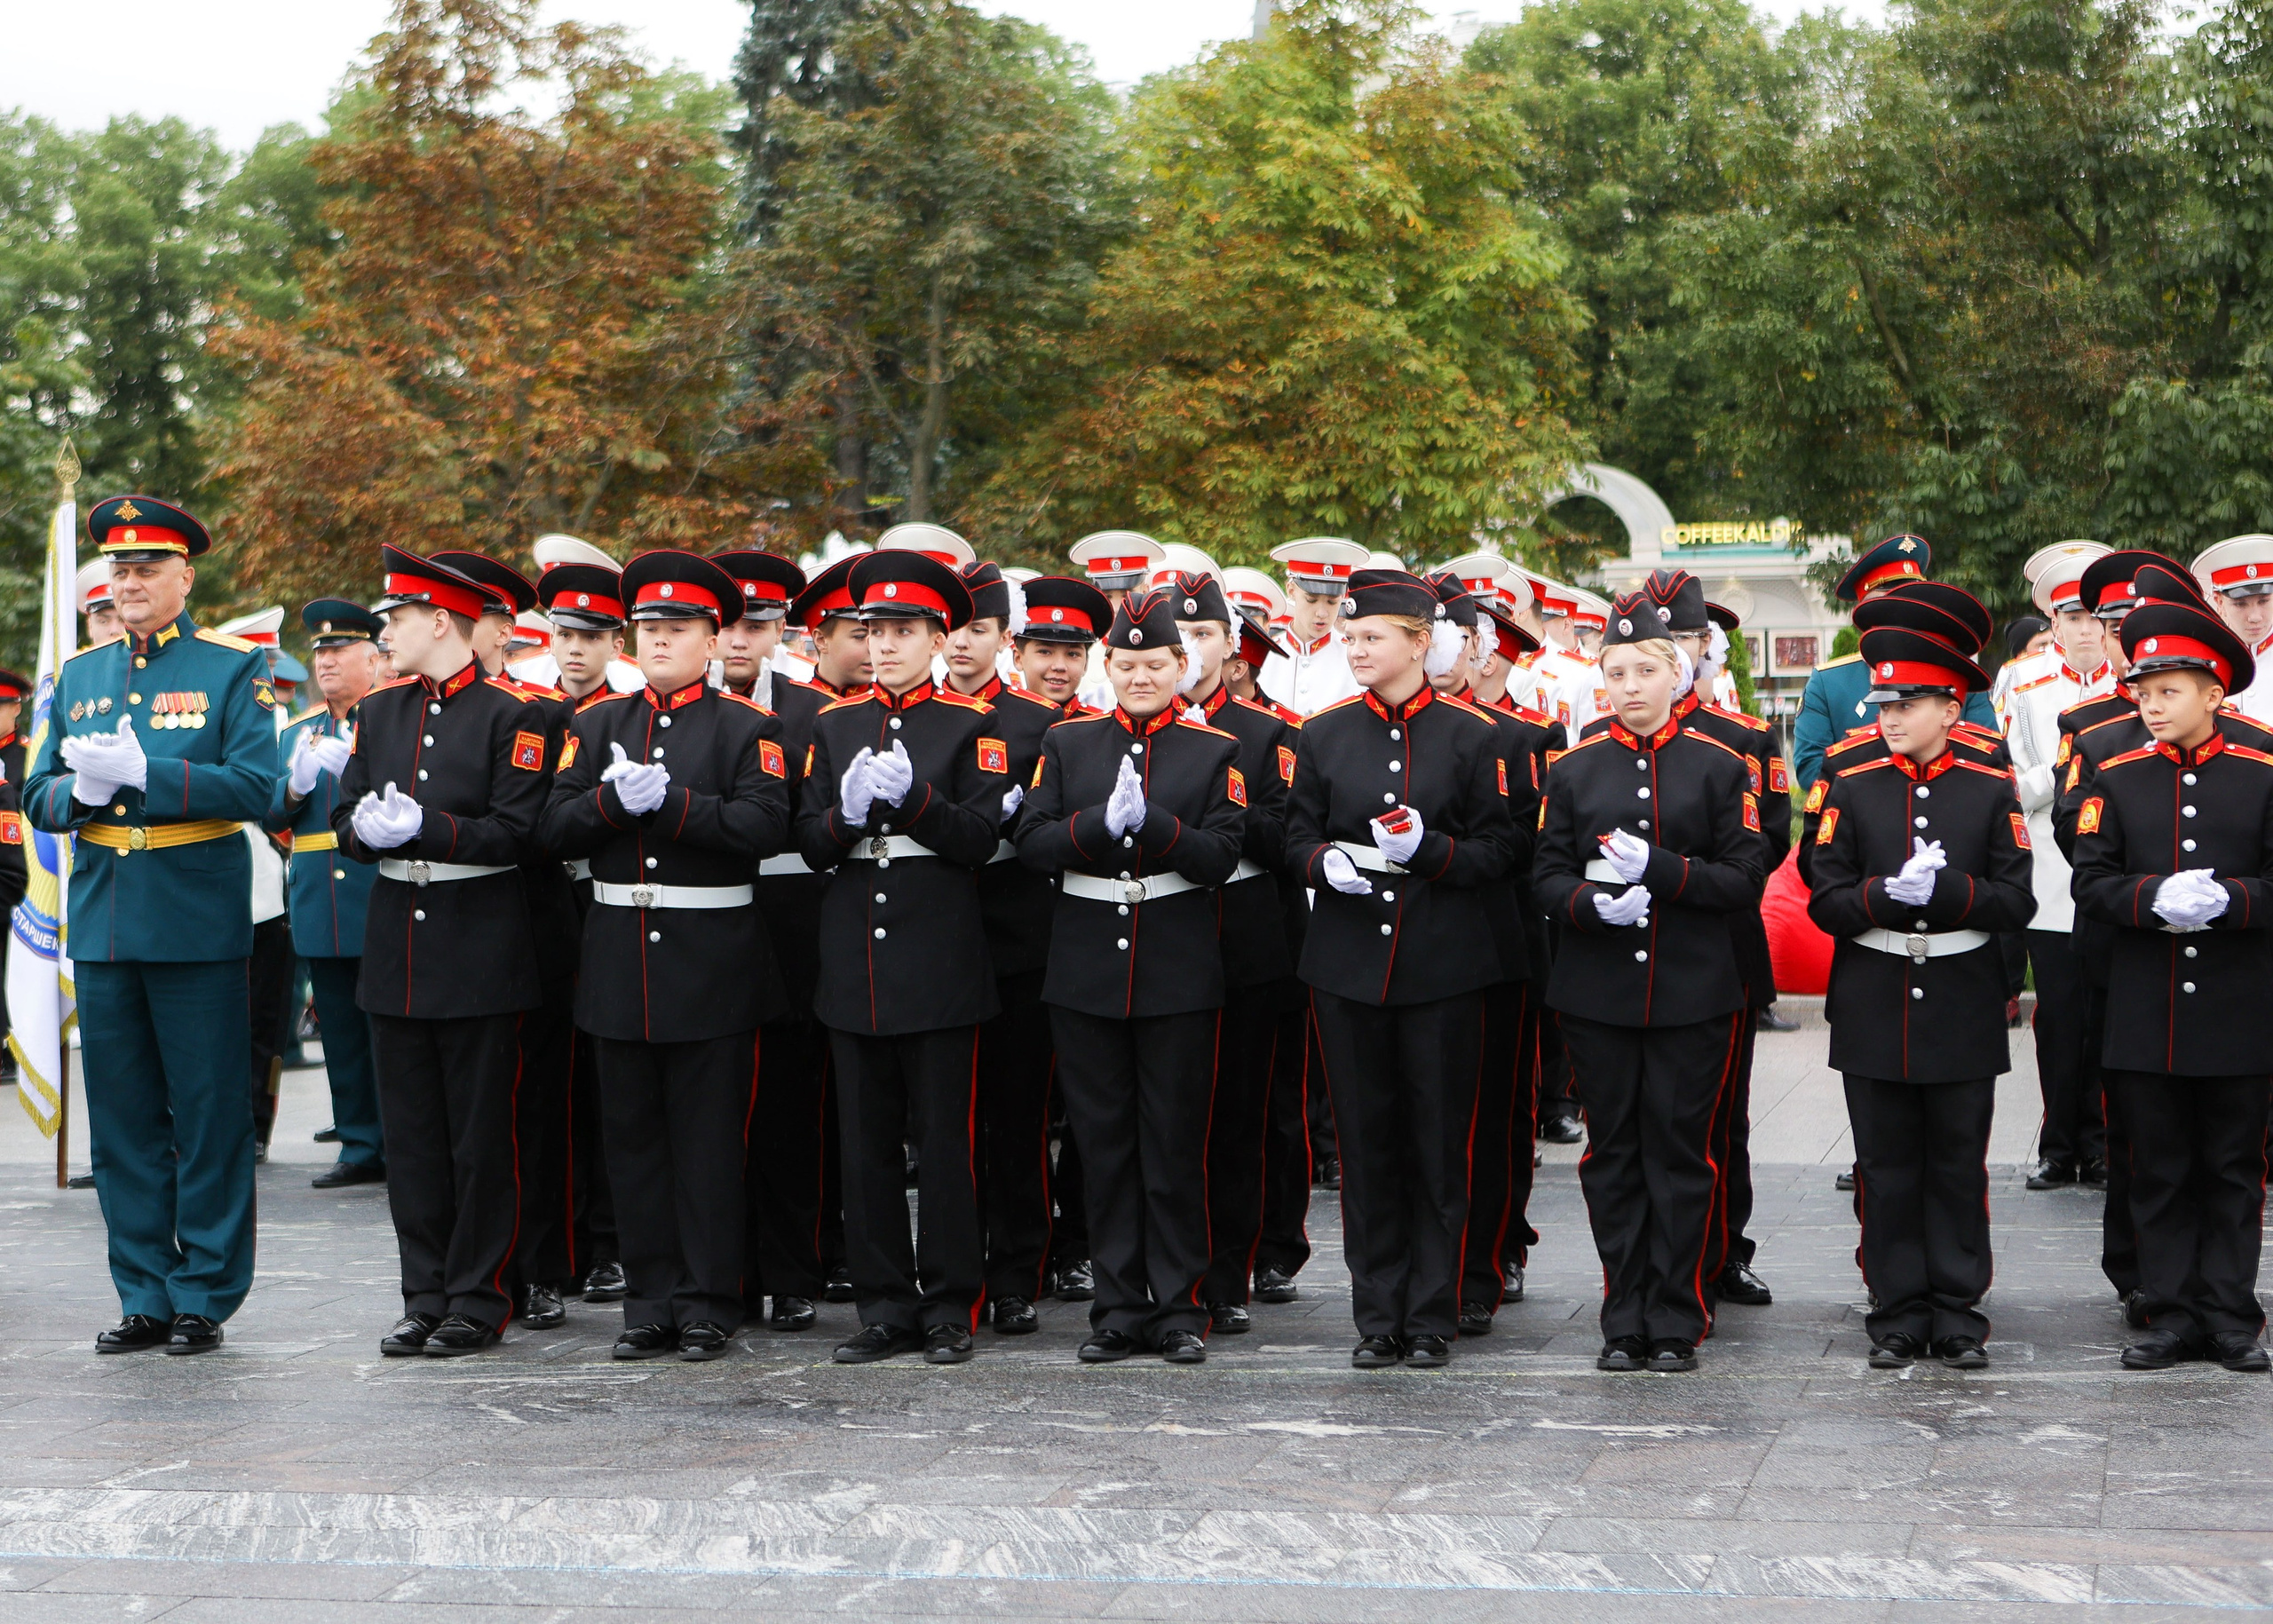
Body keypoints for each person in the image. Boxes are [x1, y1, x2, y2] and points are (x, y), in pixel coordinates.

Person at [23, 495, 281, 1356]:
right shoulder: (80, 676)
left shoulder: (232, 669)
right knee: (125, 1120)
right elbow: (36, 792)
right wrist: (78, 794)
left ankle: (203, 1288)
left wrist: (152, 774)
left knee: (208, 1112)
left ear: (185, 577)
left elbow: (257, 786)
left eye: (147, 568)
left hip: (195, 915)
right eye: (119, 570)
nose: (128, 582)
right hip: (103, 918)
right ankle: (142, 1288)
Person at [542, 550, 793, 1362]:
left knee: (710, 1144)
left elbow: (763, 829)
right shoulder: (593, 726)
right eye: (646, 628)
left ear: (713, 639)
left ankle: (711, 1299)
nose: (657, 641)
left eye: (676, 628)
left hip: (712, 962)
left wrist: (676, 806)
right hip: (620, 958)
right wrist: (614, 803)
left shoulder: (750, 729)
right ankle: (649, 1301)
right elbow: (552, 828)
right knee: (635, 1143)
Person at [1283, 568, 1517, 1368]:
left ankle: (1433, 1313)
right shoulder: (1322, 734)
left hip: (1442, 961)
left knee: (1437, 1142)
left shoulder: (1471, 734)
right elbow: (1293, 835)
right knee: (1367, 1145)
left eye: (1371, 637)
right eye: (1348, 638)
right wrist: (1322, 864)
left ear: (1421, 642)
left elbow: (1498, 849)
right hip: (1349, 963)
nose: (1355, 649)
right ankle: (1376, 1313)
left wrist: (1433, 851)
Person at [1533, 590, 1762, 1374]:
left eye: (1644, 670)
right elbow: (1546, 875)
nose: (1629, 686)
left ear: (1678, 671)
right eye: (1616, 671)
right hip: (1597, 991)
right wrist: (1593, 904)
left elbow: (1744, 875)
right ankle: (1623, 1313)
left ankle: (1677, 1314)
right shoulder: (1573, 768)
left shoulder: (1722, 766)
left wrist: (1663, 874)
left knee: (1680, 1152)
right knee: (1613, 1154)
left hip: (1692, 990)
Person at [1016, 585, 1246, 1363]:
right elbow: (1033, 841)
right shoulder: (1069, 744)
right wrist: (1098, 826)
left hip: (1177, 970)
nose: (1140, 677)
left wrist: (1159, 826)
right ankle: (1116, 1305)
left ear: (1183, 665)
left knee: (1174, 1142)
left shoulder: (1216, 752)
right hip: (1085, 970)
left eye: (1155, 664)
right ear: (1105, 667)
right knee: (1104, 1144)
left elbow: (1220, 857)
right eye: (1126, 664)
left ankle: (1180, 1305)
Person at [337, 545, 550, 1358]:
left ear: (439, 620)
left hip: (481, 941)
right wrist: (365, 830)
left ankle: (479, 1295)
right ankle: (423, 1292)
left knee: (480, 1137)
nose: (384, 631)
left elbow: (523, 831)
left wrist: (431, 828)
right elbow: (346, 810)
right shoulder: (380, 710)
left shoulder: (513, 714)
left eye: (395, 619)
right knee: (416, 1139)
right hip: (398, 942)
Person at [1807, 622, 2035, 1368]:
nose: (1890, 718)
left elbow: (2014, 900)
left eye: (1908, 703)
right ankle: (1898, 1309)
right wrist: (1881, 893)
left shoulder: (1987, 784)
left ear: (1951, 706)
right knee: (1887, 1161)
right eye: (1884, 705)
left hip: (1961, 989)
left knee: (1957, 1161)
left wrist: (1951, 889)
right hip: (1874, 989)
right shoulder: (1853, 783)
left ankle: (1959, 1311)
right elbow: (1825, 898)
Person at [799, 551, 1004, 1366]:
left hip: (941, 964)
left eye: (902, 631)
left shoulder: (972, 725)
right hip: (856, 967)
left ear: (937, 637)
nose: (882, 645)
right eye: (872, 630)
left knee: (948, 1146)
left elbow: (981, 840)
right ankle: (885, 1302)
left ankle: (953, 1299)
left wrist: (916, 798)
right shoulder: (831, 724)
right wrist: (847, 814)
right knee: (866, 1144)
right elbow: (811, 843)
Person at [2071, 595, 2273, 1373]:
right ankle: (2166, 1310)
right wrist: (2150, 898)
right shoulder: (2115, 776)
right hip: (2146, 1006)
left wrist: (2237, 899)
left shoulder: (2262, 773)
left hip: (2237, 1006)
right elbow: (2093, 883)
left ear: (2216, 694)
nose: (2151, 706)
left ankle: (2229, 1312)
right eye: (2144, 692)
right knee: (2155, 1166)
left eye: (2170, 691)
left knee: (2232, 1166)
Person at [1578, 568, 1786, 1311]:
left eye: (1683, 638)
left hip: (1716, 947)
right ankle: (1654, 1281)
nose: (1639, 675)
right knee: (1640, 1133)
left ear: (1701, 647)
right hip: (1621, 956)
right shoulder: (1594, 744)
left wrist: (1677, 876)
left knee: (1712, 1123)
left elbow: (1768, 845)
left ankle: (1721, 1255)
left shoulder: (1743, 741)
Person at [428, 549, 579, 1330]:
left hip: (531, 923)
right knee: (456, 1120)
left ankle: (541, 1264)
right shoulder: (420, 707)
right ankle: (465, 1270)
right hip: (454, 929)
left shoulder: (540, 710)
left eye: (487, 616)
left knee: (533, 1109)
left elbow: (539, 830)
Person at [1149, 566, 1299, 1334]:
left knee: (1236, 1114)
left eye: (1204, 632)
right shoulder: (1126, 730)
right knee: (1161, 1118)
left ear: (1231, 647)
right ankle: (1156, 1272)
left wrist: (1223, 812)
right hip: (1155, 939)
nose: (1191, 646)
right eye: (1183, 632)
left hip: (1240, 937)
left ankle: (1227, 1270)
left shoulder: (1268, 734)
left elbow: (1283, 837)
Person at [1418, 566, 1545, 1336]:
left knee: (1494, 1110)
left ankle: (1488, 1256)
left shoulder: (1521, 737)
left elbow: (1529, 848)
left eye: (1463, 639)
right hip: (1413, 946)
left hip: (1497, 944)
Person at [711, 548, 836, 1334]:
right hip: (710, 919)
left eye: (755, 624)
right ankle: (726, 1273)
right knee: (715, 1115)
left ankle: (792, 1271)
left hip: (793, 919)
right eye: (726, 624)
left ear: (780, 627)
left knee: (792, 1111)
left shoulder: (816, 710)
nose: (739, 640)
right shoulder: (678, 710)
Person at [945, 558, 1065, 1334]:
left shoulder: (1039, 723)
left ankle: (1018, 1269)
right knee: (946, 1123)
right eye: (949, 628)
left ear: (1004, 637)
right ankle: (953, 1268)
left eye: (977, 629)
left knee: (1016, 1119)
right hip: (935, 943)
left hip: (1018, 940)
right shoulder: (904, 715)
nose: (960, 643)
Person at [1997, 543, 2119, 1192]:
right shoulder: (2023, 682)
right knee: (2059, 1014)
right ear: (2053, 618)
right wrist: (2065, 777)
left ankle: (2099, 1143)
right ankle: (2057, 1142)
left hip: (2112, 868)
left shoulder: (2131, 685)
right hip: (2049, 872)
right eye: (2073, 616)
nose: (2087, 630)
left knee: (2106, 1012)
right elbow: (2005, 781)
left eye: (2098, 616)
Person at [533, 559, 631, 1307]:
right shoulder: (528, 710)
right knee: (546, 1087)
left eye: (591, 637)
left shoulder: (629, 713)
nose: (574, 650)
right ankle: (554, 1246)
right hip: (542, 908)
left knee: (606, 1087)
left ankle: (607, 1242)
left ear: (613, 642)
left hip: (609, 903)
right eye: (564, 634)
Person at [265, 598, 387, 1188]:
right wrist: (294, 785)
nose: (328, 661)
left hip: (377, 888)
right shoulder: (299, 729)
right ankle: (360, 1141)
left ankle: (400, 1142)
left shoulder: (392, 718)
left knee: (387, 1027)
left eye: (341, 651)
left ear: (375, 658)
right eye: (322, 652)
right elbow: (266, 810)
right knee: (339, 1027)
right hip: (319, 895)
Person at [1794, 535, 1999, 792]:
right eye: (1888, 602)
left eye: (1912, 599)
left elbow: (1987, 754)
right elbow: (1810, 769)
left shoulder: (1958, 675)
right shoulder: (1829, 682)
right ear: (1865, 612)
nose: (1902, 610)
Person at [1260, 537, 1368, 717]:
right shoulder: (1264, 656)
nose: (1322, 613)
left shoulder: (1355, 658)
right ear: (1291, 590)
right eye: (1311, 599)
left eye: (1332, 602)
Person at [2190, 535, 2273, 724]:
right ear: (2219, 602)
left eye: (2264, 601)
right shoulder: (2203, 658)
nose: (2255, 617)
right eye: (2241, 604)